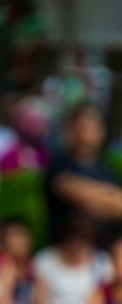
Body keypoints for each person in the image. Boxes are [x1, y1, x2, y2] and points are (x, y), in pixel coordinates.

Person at [45, 102, 122, 247]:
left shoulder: (107, 171)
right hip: (66, 255)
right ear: (70, 129)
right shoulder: (59, 164)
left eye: (93, 126)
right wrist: (108, 199)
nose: (87, 132)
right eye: (83, 125)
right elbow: (85, 197)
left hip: (103, 256)